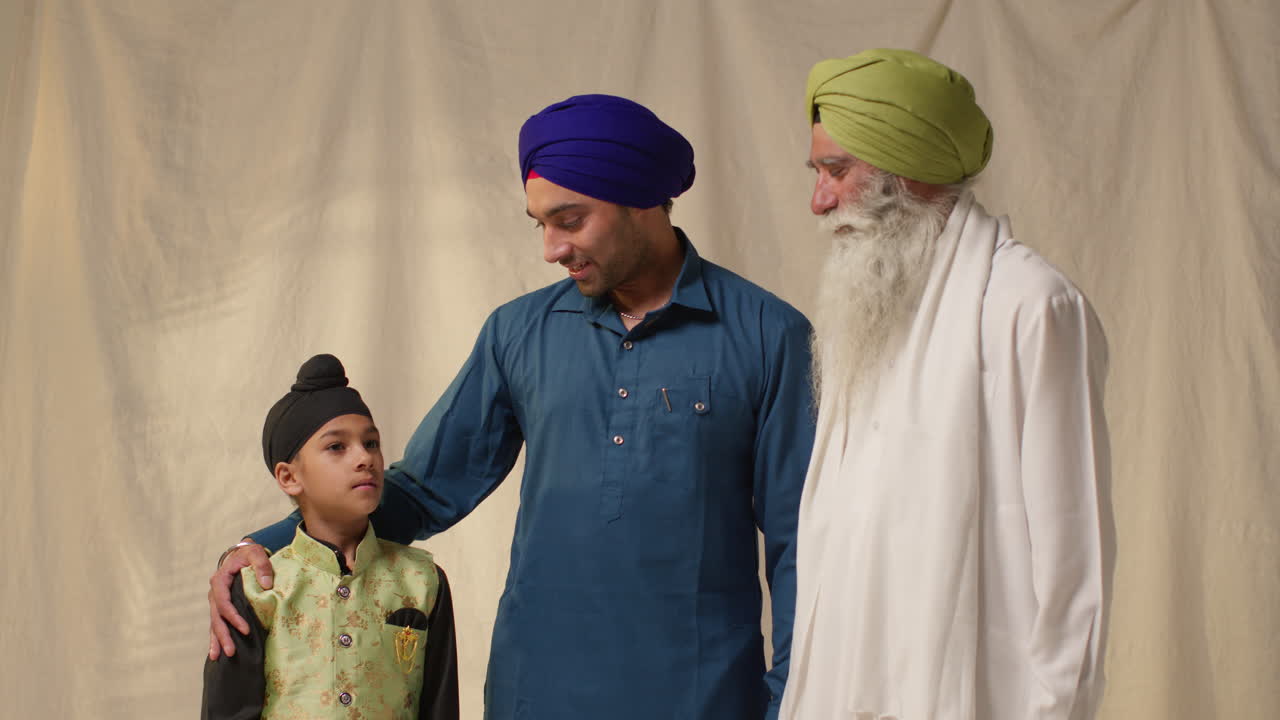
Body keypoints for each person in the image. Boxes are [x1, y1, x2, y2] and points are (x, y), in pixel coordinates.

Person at [208, 95, 816, 720]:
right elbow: (421, 493)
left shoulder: (768, 337)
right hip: (536, 691)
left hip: (701, 696)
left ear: (639, 200)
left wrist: (790, 700)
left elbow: (803, 544)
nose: (552, 248)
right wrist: (265, 548)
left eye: (570, 220)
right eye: (540, 224)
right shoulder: (519, 333)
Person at [778, 49, 1114, 720]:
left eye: (836, 171)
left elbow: (1074, 549)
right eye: (818, 172)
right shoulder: (869, 306)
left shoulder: (1028, 304)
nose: (819, 200)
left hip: (977, 693)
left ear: (911, 170)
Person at [201, 353, 459, 720]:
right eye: (337, 446)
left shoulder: (423, 581)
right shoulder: (258, 589)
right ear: (289, 477)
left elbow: (440, 706)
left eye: (371, 443)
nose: (364, 458)